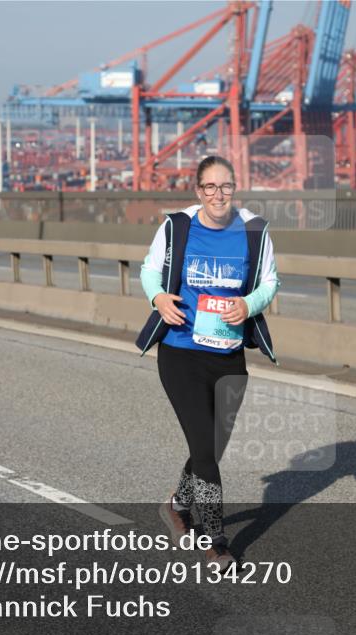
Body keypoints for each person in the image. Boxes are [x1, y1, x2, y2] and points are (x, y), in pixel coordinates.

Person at [135, 155, 280, 571]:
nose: (219, 194)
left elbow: (270, 281)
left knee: (211, 446)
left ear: (236, 188)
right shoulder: (178, 226)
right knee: (205, 449)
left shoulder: (254, 231)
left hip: (229, 355)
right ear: (199, 191)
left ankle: (177, 505)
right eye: (211, 187)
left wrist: (248, 303)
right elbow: (149, 271)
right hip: (180, 352)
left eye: (227, 186)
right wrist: (159, 298)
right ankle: (216, 540)